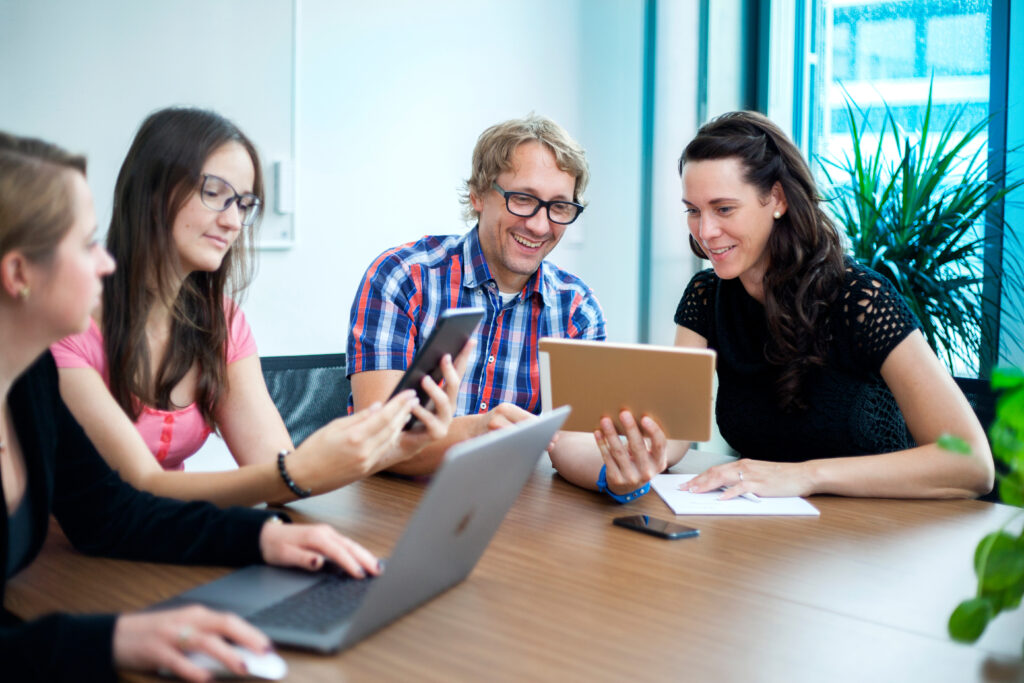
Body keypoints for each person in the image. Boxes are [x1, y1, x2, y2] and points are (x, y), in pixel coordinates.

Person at [0, 132, 386, 681]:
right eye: (85, 244)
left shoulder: (28, 381)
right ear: (18, 274)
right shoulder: (54, 362)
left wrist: (263, 537)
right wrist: (113, 639)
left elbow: (107, 514)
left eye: (244, 203)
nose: (105, 262)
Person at [549, 111, 994, 500]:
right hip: (771, 536)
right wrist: (603, 456)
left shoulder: (860, 298)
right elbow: (674, 434)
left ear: (777, 200)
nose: (704, 232)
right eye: (693, 210)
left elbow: (971, 464)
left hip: (875, 539)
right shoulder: (706, 296)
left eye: (724, 209)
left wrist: (805, 476)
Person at [51, 108, 469, 507]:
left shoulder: (221, 322)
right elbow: (141, 486)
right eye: (215, 194)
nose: (233, 221)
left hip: (163, 538)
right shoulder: (68, 325)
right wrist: (300, 468)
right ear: (152, 191)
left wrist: (396, 447)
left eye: (244, 204)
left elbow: (276, 472)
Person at [347, 114, 605, 475]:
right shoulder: (404, 278)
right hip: (387, 502)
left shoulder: (576, 309)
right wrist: (478, 429)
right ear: (479, 194)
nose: (540, 225)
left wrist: (621, 473)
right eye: (523, 199)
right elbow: (376, 441)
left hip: (503, 507)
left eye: (559, 207)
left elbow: (573, 445)